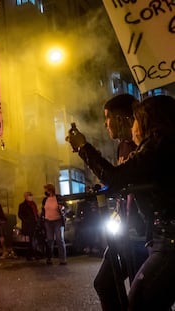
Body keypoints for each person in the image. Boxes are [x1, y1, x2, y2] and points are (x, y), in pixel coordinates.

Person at [66, 95, 175, 310]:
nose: (134, 124)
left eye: (136, 118)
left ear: (147, 120)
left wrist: (83, 148)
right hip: (155, 233)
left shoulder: (158, 144)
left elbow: (116, 178)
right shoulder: (154, 145)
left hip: (166, 236)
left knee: (142, 300)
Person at [93, 93, 149, 310]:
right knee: (105, 283)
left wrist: (84, 148)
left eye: (107, 118)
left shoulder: (145, 143)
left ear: (119, 118)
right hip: (123, 229)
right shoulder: (122, 147)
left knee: (141, 293)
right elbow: (120, 182)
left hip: (142, 232)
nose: (105, 125)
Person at [41, 183, 67, 265]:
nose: (45, 191)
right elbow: (43, 210)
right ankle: (49, 258)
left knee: (59, 239)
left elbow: (67, 208)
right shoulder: (45, 199)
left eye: (46, 189)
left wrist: (63, 208)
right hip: (48, 221)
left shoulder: (58, 198)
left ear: (50, 190)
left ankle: (62, 259)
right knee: (49, 240)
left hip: (58, 221)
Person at [18, 191, 40, 260]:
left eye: (31, 195)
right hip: (28, 225)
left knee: (33, 240)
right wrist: (26, 220)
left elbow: (35, 212)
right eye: (28, 195)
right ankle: (32, 255)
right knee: (31, 240)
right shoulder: (22, 205)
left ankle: (32, 255)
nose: (30, 196)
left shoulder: (33, 203)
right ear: (25, 197)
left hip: (35, 223)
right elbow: (20, 215)